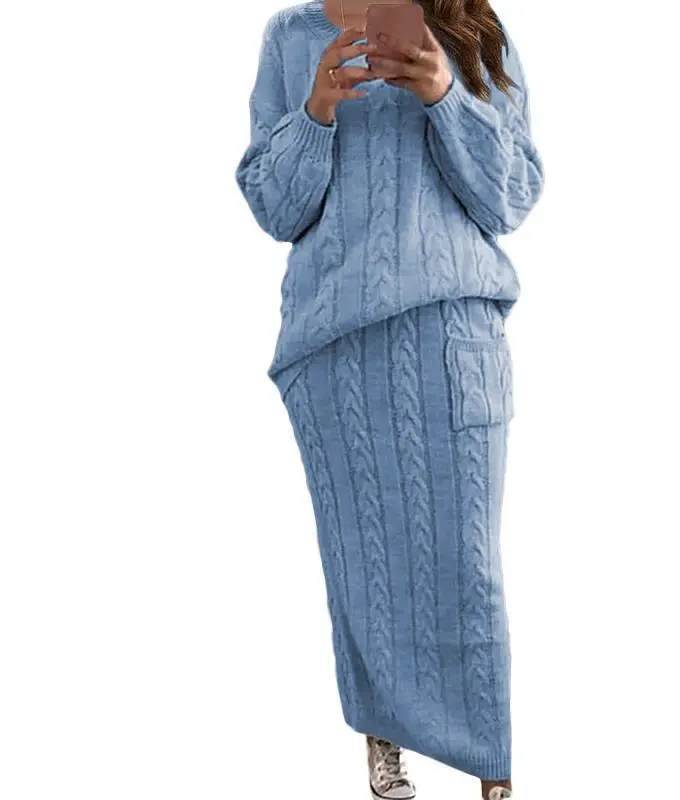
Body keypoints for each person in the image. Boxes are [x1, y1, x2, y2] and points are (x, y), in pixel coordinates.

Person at [235, 0, 544, 797]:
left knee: (466, 565)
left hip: (452, 332)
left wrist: (444, 92)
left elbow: (511, 198)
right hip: (332, 344)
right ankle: (384, 742)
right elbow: (275, 209)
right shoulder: (291, 36)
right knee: (362, 561)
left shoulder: (471, 25)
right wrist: (314, 114)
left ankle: (492, 769)